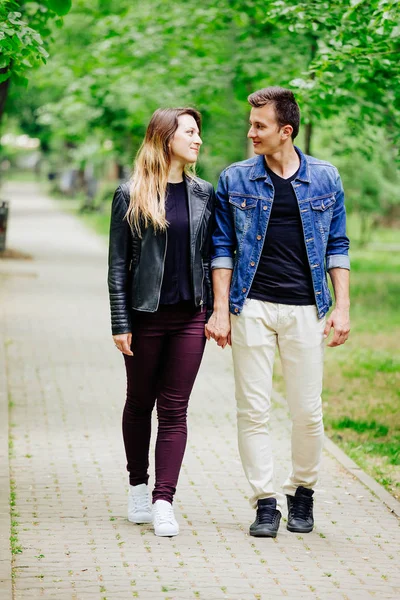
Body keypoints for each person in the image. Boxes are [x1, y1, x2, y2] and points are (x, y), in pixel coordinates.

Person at [206, 87, 350, 538]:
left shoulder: (325, 178)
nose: (251, 132)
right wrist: (221, 310)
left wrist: (342, 307)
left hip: (307, 308)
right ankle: (264, 501)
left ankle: (302, 491)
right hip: (252, 306)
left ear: (285, 132)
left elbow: (337, 246)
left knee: (308, 412)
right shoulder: (235, 179)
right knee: (253, 410)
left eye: (260, 126)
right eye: (251, 124)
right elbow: (222, 248)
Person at [108, 107, 215, 537]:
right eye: (190, 132)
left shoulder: (205, 193)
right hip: (145, 317)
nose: (198, 140)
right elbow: (118, 265)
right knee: (140, 402)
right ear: (166, 136)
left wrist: (215, 310)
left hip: (190, 316)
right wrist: (120, 321)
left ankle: (164, 501)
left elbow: (212, 255)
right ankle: (138, 485)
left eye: (198, 132)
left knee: (175, 410)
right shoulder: (130, 193)